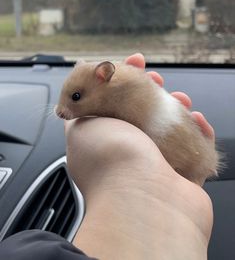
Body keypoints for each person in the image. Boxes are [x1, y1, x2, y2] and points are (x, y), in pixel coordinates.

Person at [0, 53, 214, 260]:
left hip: (178, 152)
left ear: (105, 75)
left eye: (75, 98)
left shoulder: (128, 95)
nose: (60, 111)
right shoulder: (115, 90)